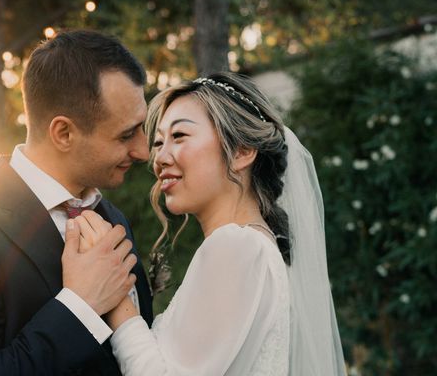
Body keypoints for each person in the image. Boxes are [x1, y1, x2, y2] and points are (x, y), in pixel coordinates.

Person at [66, 72, 346, 375]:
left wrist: (117, 298)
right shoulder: (258, 246)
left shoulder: (235, 247)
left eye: (179, 136)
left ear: (241, 151)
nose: (159, 157)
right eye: (159, 142)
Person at [0, 30, 154, 375]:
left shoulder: (112, 219)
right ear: (64, 133)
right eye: (126, 135)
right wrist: (79, 308)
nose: (143, 151)